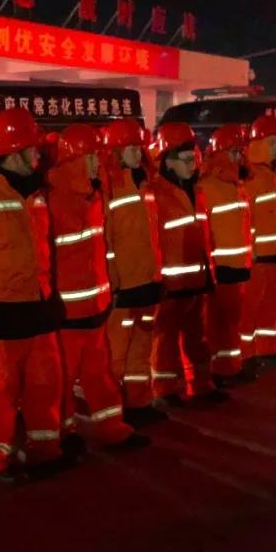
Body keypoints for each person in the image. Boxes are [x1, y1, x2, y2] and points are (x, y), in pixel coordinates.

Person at [0, 107, 65, 482]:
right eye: (31, 148)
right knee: (0, 392)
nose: (38, 154)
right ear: (14, 151)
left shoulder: (36, 192)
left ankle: (46, 450)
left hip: (37, 304)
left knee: (44, 384)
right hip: (0, 309)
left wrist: (51, 295)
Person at [47, 124, 149, 453]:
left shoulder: (91, 196)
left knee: (99, 374)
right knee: (63, 379)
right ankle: (63, 434)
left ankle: (112, 428)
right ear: (74, 161)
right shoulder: (54, 201)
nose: (97, 163)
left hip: (94, 306)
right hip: (68, 311)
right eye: (90, 157)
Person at [100, 118, 164, 425]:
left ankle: (139, 402)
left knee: (141, 347)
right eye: (131, 148)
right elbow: (106, 240)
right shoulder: (109, 187)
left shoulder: (145, 183)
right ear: (115, 152)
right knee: (117, 353)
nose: (138, 153)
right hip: (124, 286)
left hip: (147, 280)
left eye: (139, 147)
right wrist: (113, 281)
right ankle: (116, 409)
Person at [147, 123, 217, 405]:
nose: (192, 165)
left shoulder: (194, 190)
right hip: (170, 284)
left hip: (195, 280)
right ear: (168, 161)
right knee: (165, 341)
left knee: (196, 337)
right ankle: (165, 391)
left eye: (194, 158)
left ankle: (201, 385)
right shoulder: (156, 193)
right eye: (186, 159)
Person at [197, 123, 253, 386]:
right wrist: (211, 266)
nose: (238, 157)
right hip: (221, 266)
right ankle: (219, 370)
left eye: (239, 152)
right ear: (220, 154)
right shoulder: (208, 186)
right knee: (218, 322)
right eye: (233, 152)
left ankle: (229, 367)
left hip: (238, 264)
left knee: (232, 320)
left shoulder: (237, 185)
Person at [240, 117, 276, 368]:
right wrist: (250, 251)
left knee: (273, 305)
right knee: (251, 309)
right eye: (271, 142)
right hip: (260, 256)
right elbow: (246, 217)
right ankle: (246, 355)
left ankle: (267, 349)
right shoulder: (251, 178)